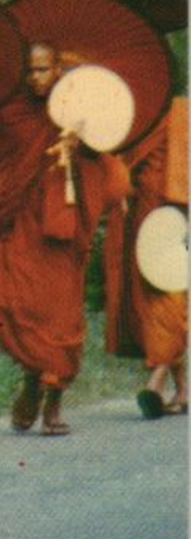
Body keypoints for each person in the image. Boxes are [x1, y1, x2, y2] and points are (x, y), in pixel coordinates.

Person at [0, 43, 129, 434]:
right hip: (24, 225)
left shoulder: (82, 108)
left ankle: (54, 403)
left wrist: (80, 146)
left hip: (63, 229)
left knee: (61, 315)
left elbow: (108, 167)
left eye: (43, 70)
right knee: (19, 308)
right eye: (29, 71)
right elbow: (1, 161)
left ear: (58, 69)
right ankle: (31, 380)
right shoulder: (14, 113)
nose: (35, 78)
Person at [105, 96, 187, 416]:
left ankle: (156, 378)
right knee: (147, 291)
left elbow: (183, 169)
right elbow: (118, 160)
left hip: (171, 213)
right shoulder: (138, 109)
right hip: (138, 213)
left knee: (168, 291)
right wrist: (119, 189)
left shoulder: (179, 110)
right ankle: (183, 389)